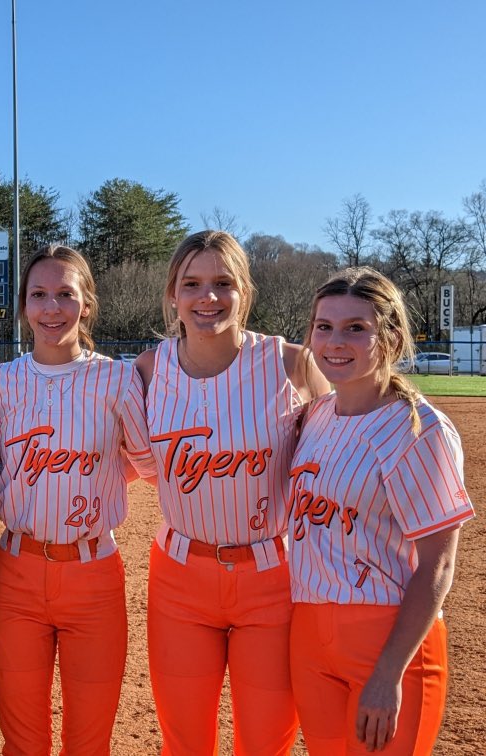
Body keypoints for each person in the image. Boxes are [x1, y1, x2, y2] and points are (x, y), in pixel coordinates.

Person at [135, 229, 328, 755]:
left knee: (266, 740)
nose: (208, 297)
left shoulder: (291, 363)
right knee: (185, 741)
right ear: (173, 294)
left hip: (273, 579)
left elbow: (346, 440)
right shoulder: (148, 370)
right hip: (179, 578)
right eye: (191, 283)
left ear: (245, 290)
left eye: (223, 282)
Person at [288, 266, 473, 754]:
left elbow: (440, 563)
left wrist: (389, 672)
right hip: (308, 636)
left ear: (389, 336)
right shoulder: (315, 415)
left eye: (356, 327)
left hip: (389, 642)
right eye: (323, 327)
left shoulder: (418, 429)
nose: (335, 341)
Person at [0, 245, 157, 755]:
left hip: (94, 576)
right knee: (24, 742)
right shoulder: (0, 381)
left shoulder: (119, 378)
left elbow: (148, 465)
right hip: (17, 573)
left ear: (86, 304)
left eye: (65, 294)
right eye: (39, 294)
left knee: (89, 741)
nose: (51, 307)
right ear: (23, 306)